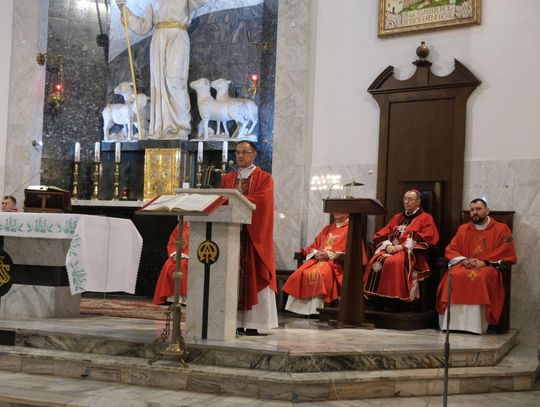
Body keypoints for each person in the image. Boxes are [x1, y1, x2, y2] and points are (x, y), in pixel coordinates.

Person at [115, 0, 211, 139]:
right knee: (159, 84)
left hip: (178, 34)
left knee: (175, 80)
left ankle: (182, 126)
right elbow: (144, 26)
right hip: (159, 38)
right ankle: (160, 129)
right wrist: (122, 9)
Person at [219, 140, 277, 334]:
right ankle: (232, 322)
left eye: (245, 152)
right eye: (238, 152)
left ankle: (255, 324)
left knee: (254, 273)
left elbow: (263, 202)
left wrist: (235, 198)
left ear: (254, 154)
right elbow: (221, 200)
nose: (240, 156)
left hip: (253, 237)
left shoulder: (264, 178)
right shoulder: (228, 179)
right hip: (231, 236)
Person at [436, 198, 517, 334]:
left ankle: (476, 326)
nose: (475, 212)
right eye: (472, 210)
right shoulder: (463, 229)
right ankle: (453, 324)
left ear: (487, 211)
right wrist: (463, 260)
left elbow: (506, 250)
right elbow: (452, 248)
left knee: (480, 276)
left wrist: (484, 261)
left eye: (478, 209)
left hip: (488, 266)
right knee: (453, 275)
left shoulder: (501, 229)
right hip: (465, 264)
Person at [282, 213, 367, 316]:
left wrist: (330, 255)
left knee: (321, 273)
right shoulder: (328, 229)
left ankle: (315, 310)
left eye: (340, 209)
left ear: (348, 212)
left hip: (337, 265)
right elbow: (313, 246)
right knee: (299, 273)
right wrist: (316, 253)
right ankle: (297, 309)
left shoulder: (352, 230)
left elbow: (354, 254)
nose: (336, 212)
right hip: (318, 261)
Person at [364, 189, 439, 302]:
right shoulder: (397, 217)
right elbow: (383, 233)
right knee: (375, 260)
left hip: (410, 252)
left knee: (394, 262)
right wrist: (388, 245)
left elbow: (427, 236)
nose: (406, 202)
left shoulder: (426, 218)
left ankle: (396, 300)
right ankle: (378, 299)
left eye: (410, 199)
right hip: (391, 249)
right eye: (405, 199)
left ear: (418, 202)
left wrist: (402, 247)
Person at [153, 222, 190, 305]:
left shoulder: (200, 225)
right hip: (178, 253)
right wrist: (175, 253)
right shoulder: (181, 225)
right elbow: (173, 241)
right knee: (169, 264)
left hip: (190, 256)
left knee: (182, 265)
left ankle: (183, 298)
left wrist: (185, 255)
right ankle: (171, 297)